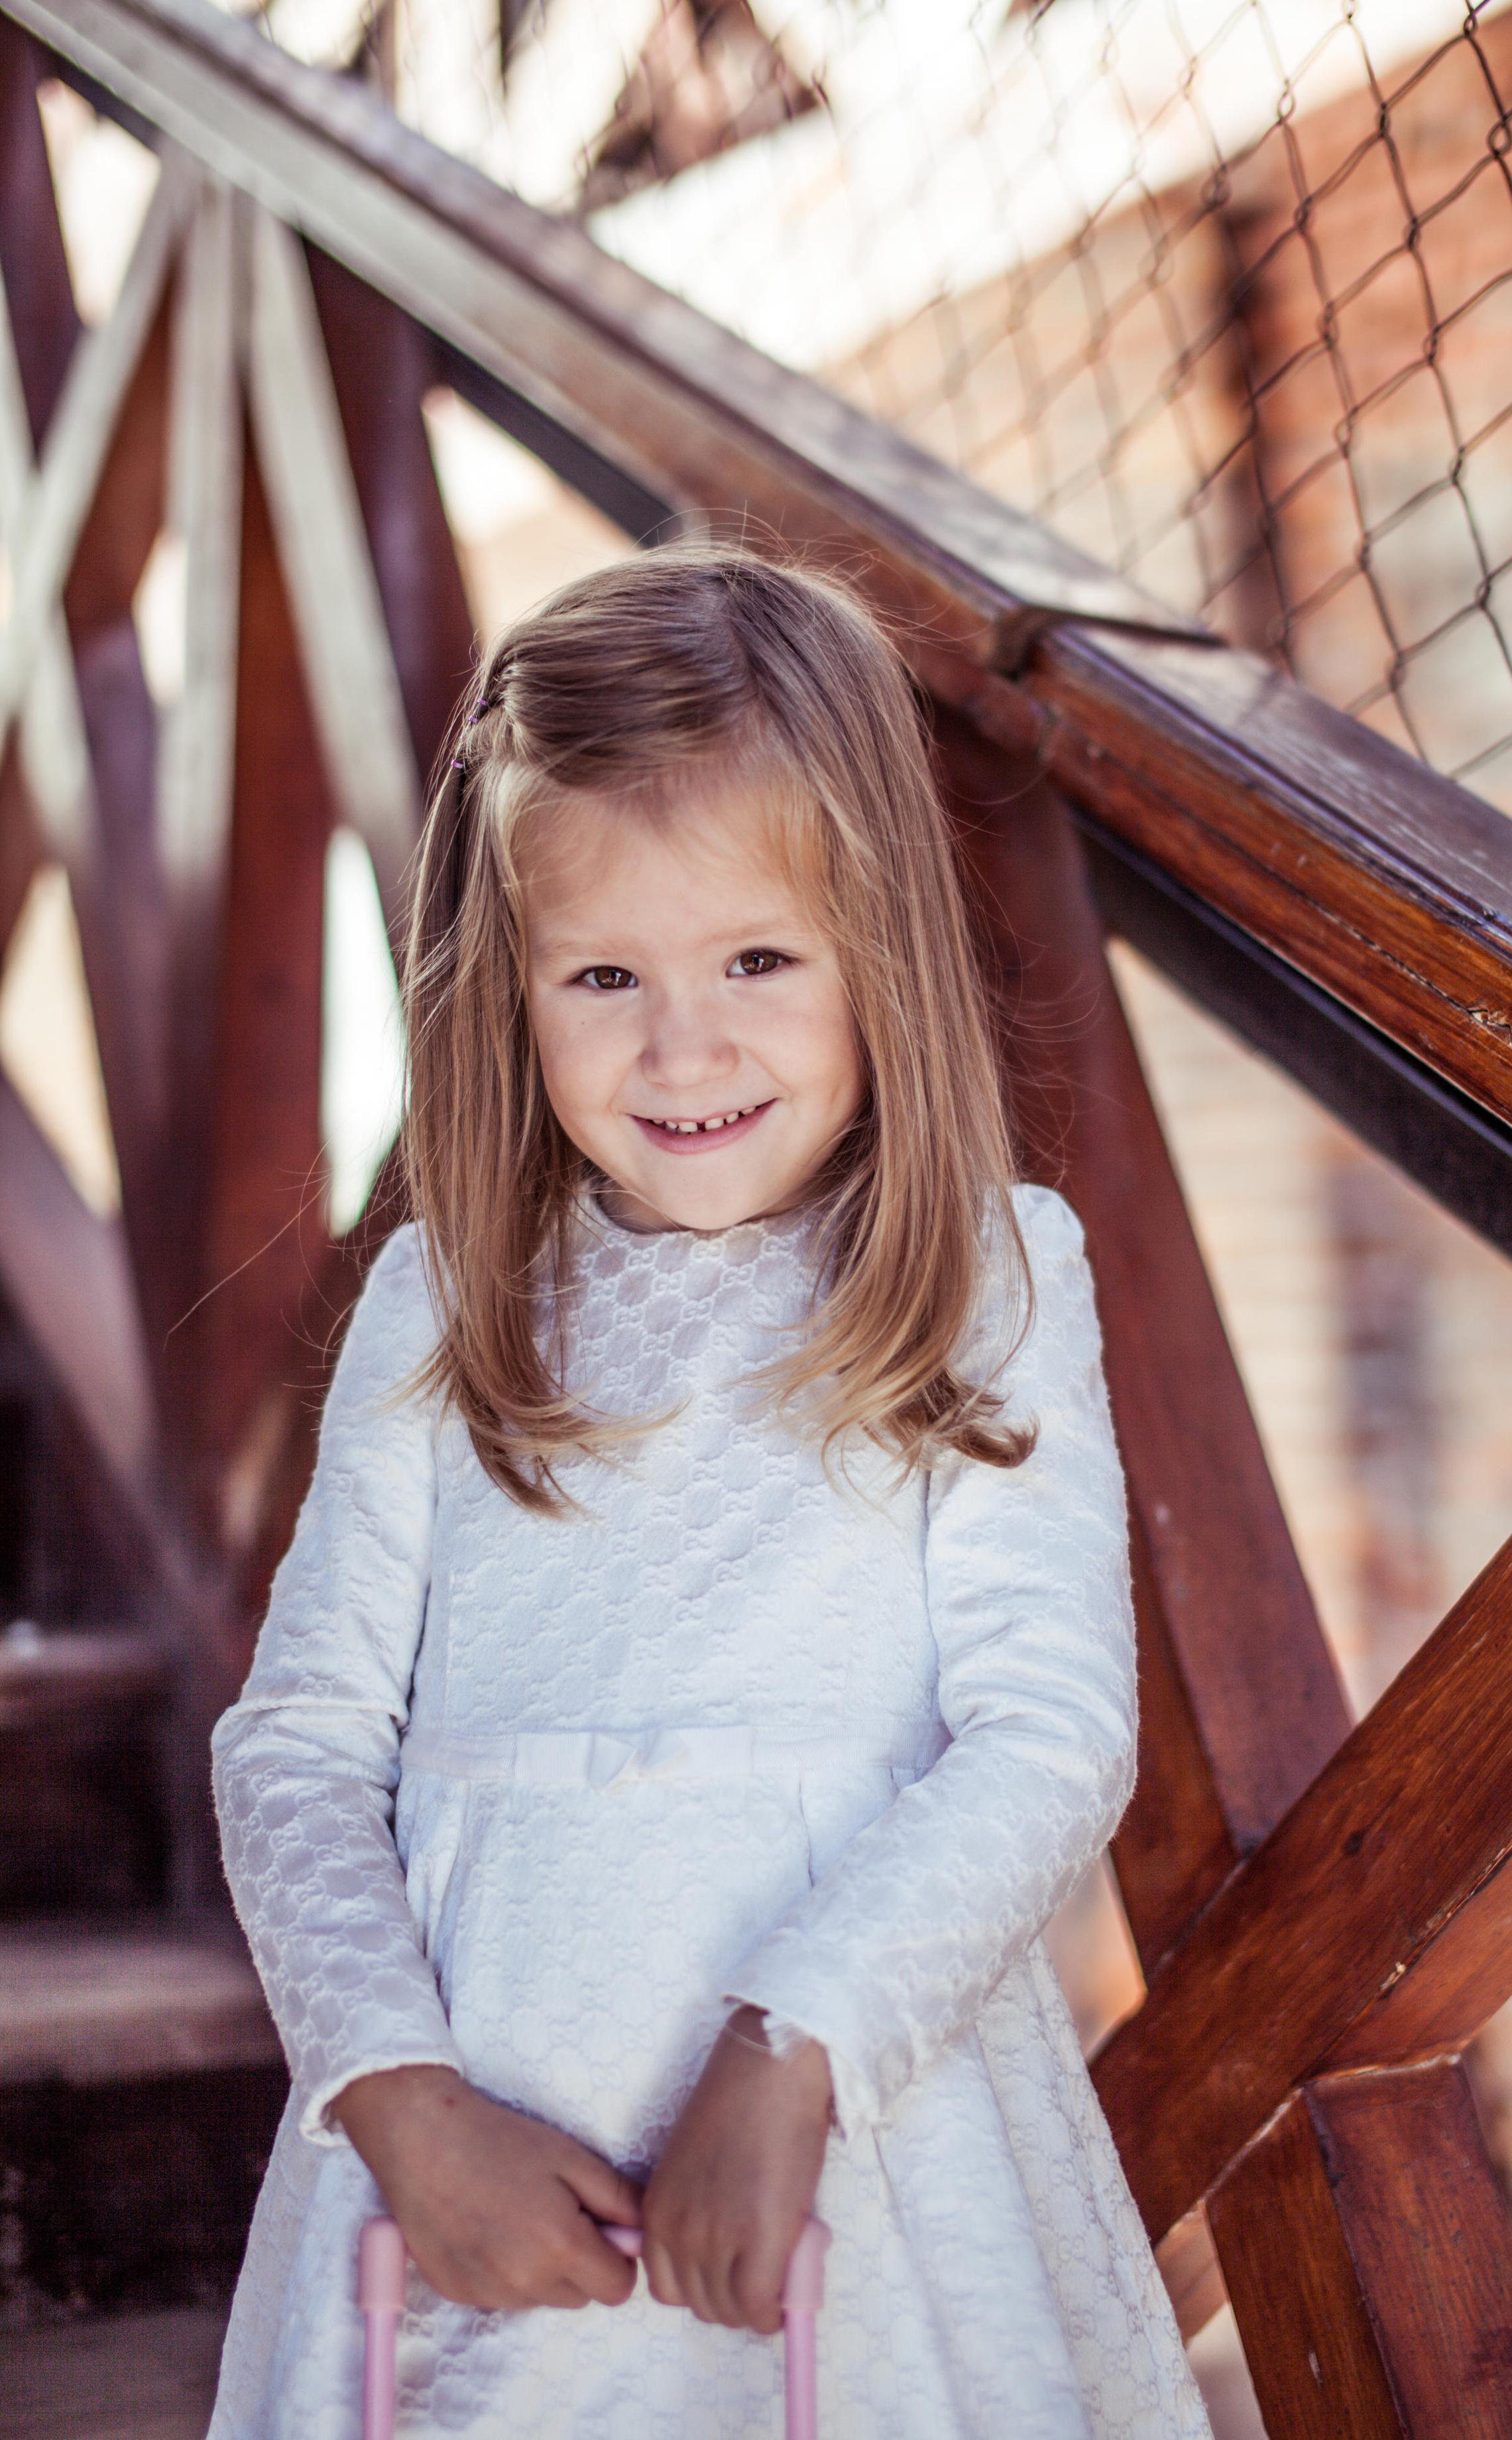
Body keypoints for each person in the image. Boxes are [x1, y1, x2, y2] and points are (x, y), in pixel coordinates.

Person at [207, 550, 1208, 2437]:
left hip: (862, 2174)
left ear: (879, 950)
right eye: (604, 974)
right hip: (478, 2179)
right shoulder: (444, 1304)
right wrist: (401, 2103)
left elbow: (1049, 1732)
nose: (685, 1049)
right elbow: (295, 1750)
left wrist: (796, 2045)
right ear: (512, 989)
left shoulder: (995, 1280)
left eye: (757, 957)